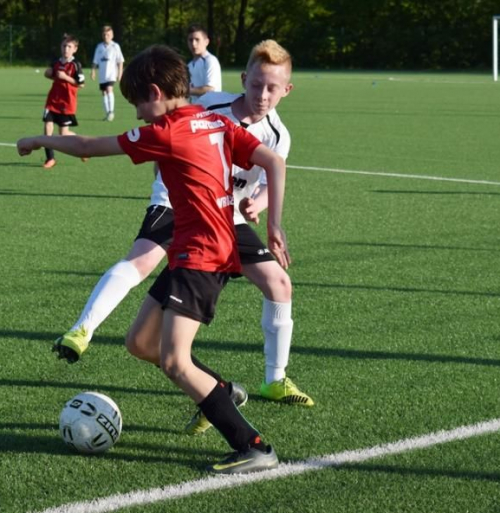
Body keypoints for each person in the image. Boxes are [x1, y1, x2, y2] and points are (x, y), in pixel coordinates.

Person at [18, 44, 288, 474]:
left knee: (174, 360)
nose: (139, 114)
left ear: (157, 92)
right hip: (197, 251)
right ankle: (220, 389)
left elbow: (90, 144)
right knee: (140, 343)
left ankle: (253, 445)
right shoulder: (215, 120)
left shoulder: (167, 132)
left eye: (139, 103)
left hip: (201, 256)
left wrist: (38, 139)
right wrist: (274, 224)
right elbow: (273, 160)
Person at [54, 40, 314, 418]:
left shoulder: (278, 135)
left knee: (279, 284)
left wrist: (257, 206)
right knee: (141, 261)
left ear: (287, 90)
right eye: (256, 85)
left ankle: (275, 379)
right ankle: (83, 329)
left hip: (225, 217)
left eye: (272, 88)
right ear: (244, 79)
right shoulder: (211, 106)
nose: (262, 94)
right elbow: (160, 132)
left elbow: (267, 180)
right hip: (176, 204)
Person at [41, 34, 86, 169]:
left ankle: (83, 146)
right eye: (64, 46)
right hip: (52, 100)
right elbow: (51, 74)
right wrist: (48, 73)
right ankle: (50, 158)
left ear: (75, 49)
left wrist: (66, 77)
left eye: (69, 46)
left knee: (63, 134)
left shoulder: (75, 65)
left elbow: (81, 84)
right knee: (47, 128)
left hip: (66, 103)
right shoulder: (56, 62)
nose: (66, 49)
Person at [91, 25, 124, 121]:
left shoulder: (115, 46)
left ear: (112, 35)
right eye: (104, 34)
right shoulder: (99, 47)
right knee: (104, 92)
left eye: (108, 34)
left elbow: (120, 61)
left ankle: (111, 112)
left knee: (109, 89)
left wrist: (120, 73)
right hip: (102, 74)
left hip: (111, 74)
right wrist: (93, 71)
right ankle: (107, 113)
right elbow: (95, 61)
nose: (106, 36)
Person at [186, 24, 222, 102]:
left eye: (197, 39)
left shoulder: (210, 61)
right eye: (190, 40)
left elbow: (210, 89)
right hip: (197, 110)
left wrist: (185, 90)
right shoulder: (189, 65)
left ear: (206, 42)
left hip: (211, 110)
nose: (193, 43)